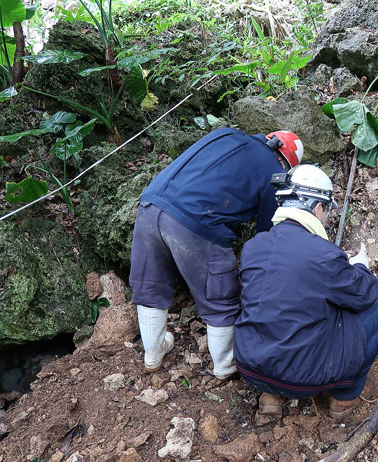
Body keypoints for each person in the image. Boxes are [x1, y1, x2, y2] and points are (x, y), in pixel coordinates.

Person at [129, 127, 304, 379]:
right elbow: (267, 234)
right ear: (287, 162)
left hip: (150, 205)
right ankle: (225, 364)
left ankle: (153, 353)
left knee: (150, 285)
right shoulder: (274, 172)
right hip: (195, 221)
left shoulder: (226, 134)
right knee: (219, 295)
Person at [234, 164, 378, 418]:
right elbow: (363, 295)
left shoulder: (253, 246)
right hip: (302, 380)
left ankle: (270, 395)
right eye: (326, 210)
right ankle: (345, 398)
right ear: (318, 207)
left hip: (250, 368)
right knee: (376, 313)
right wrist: (360, 265)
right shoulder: (324, 254)